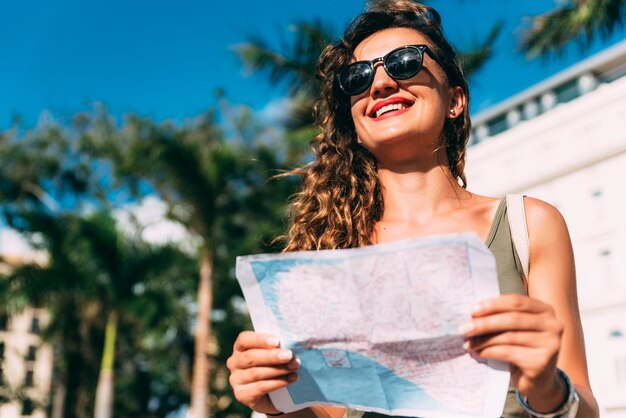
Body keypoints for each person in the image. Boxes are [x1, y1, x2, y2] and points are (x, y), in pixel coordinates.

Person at [226, 1, 599, 417]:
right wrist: (274, 402)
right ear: (355, 124)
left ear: (455, 99)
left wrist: (546, 387)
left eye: (404, 62)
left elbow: (584, 406)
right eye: (358, 76)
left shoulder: (528, 225)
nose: (380, 83)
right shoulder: (321, 259)